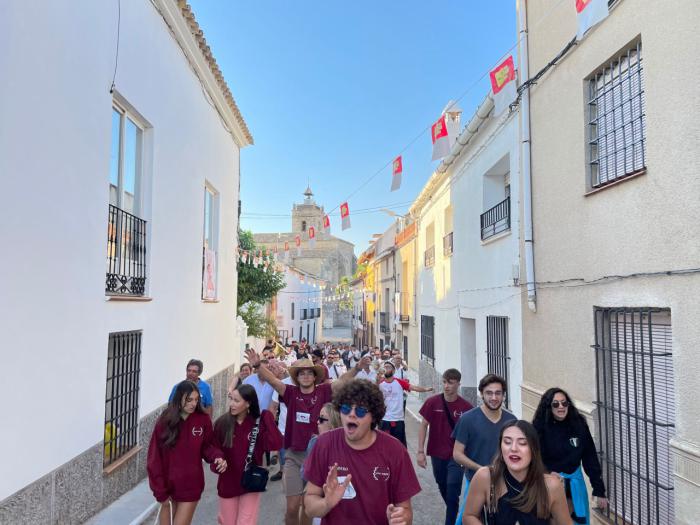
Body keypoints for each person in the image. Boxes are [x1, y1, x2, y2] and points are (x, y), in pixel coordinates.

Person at [244, 349, 366, 525]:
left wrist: (357, 368)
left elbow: (342, 382)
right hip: (294, 456)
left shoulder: (324, 391)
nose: (306, 376)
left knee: (308, 507)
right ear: (297, 377)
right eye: (302, 373)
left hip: (318, 457)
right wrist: (257, 365)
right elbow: (273, 380)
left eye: (310, 373)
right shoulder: (290, 393)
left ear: (315, 376)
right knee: (292, 508)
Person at [303, 379, 422, 524]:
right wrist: (326, 503)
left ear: (373, 417)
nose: (351, 415)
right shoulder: (324, 444)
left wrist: (400, 518)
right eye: (346, 409)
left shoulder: (395, 451)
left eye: (360, 411)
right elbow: (309, 507)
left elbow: (406, 511)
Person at [462, 420, 572, 525]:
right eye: (507, 442)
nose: (513, 448)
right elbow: (469, 516)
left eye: (522, 443)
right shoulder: (486, 477)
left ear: (533, 449)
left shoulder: (551, 485)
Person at [147, 381, 227, 525]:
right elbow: (154, 459)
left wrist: (217, 457)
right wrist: (160, 491)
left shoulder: (203, 420)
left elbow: (208, 446)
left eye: (196, 400)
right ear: (179, 398)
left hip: (191, 486)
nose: (193, 404)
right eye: (189, 399)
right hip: (167, 488)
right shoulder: (164, 421)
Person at [532, 388, 607, 525]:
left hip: (575, 485)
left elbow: (590, 457)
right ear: (548, 407)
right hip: (550, 485)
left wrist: (599, 489)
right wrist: (547, 473)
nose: (561, 407)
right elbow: (533, 458)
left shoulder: (579, 424)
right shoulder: (539, 428)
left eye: (564, 403)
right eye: (555, 404)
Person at [212, 384, 283, 525]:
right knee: (228, 522)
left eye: (236, 401)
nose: (231, 404)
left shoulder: (258, 423)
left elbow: (275, 444)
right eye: (231, 399)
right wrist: (218, 461)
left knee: (245, 522)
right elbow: (214, 449)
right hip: (228, 482)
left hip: (251, 481)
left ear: (248, 403)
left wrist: (268, 417)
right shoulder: (222, 423)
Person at [453, 374, 517, 524]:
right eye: (489, 393)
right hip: (475, 481)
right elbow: (457, 454)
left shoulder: (512, 420)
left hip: (505, 484)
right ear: (481, 394)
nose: (494, 397)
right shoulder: (467, 419)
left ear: (503, 395)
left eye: (498, 393)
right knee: (466, 519)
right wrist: (482, 470)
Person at [417, 368, 473, 525]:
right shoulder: (432, 402)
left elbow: (471, 433)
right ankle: (456, 513)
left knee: (452, 491)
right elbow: (423, 426)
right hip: (436, 453)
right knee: (442, 485)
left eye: (451, 382)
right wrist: (420, 452)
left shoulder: (466, 407)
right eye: (444, 382)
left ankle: (451, 521)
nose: (446, 386)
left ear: (458, 384)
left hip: (456, 456)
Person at [301, 403, 342, 525]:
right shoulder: (314, 442)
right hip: (320, 502)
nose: (317, 422)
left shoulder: (348, 445)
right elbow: (304, 475)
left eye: (322, 419)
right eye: (318, 418)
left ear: (334, 422)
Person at [378, 360, 433, 446]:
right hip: (385, 419)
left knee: (400, 445)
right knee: (384, 445)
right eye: (384, 367)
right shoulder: (380, 383)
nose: (385, 369)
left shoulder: (399, 382)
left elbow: (413, 387)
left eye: (388, 367)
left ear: (393, 370)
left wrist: (425, 389)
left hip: (398, 419)